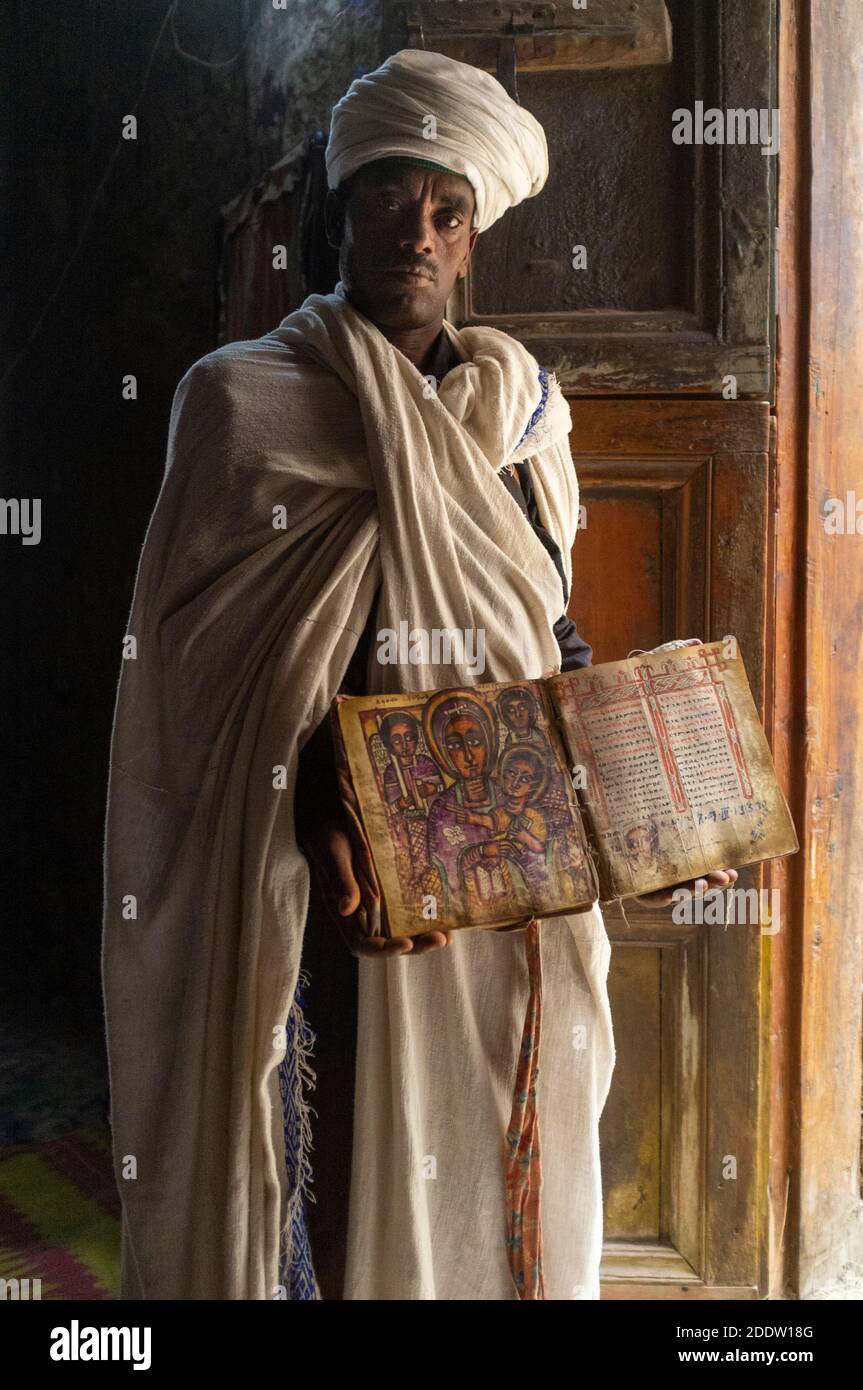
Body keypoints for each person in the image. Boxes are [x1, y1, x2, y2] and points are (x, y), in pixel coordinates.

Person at [102, 46, 736, 1302]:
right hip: (317, 886)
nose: (417, 230)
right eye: (389, 198)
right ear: (338, 218)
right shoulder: (238, 404)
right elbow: (193, 686)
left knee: (491, 1167)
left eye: (445, 209)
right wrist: (314, 777)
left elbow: (542, 639)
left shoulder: (519, 410)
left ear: (471, 240)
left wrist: (643, 789)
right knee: (335, 1195)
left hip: (497, 870)